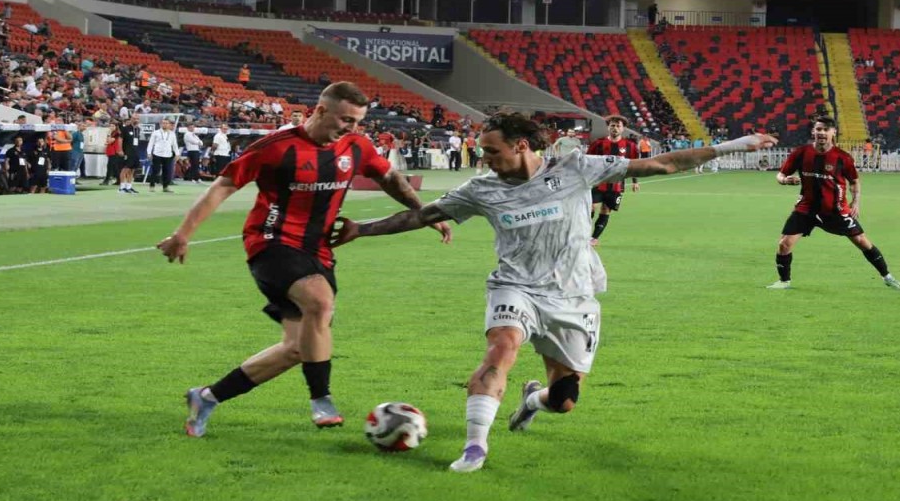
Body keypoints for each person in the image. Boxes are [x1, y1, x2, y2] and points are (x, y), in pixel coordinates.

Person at [328, 112, 777, 472]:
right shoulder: (480, 189)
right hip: (515, 286)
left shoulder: (575, 168)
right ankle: (474, 448)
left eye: (492, 151)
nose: (485, 159)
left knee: (563, 402)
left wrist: (734, 145)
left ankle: (532, 400)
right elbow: (421, 216)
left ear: (521, 146)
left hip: (573, 295)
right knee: (501, 348)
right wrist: (361, 230)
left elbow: (662, 164)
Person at [158, 82, 452, 435]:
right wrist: (183, 234)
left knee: (298, 348)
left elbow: (390, 178)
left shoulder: (356, 146)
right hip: (270, 242)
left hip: (320, 249)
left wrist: (426, 214)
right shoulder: (276, 147)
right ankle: (321, 399)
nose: (351, 128)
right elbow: (223, 185)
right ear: (321, 110)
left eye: (357, 121)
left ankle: (206, 397)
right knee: (319, 303)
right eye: (345, 119)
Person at [767, 116, 900, 292]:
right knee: (784, 244)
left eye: (826, 129)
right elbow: (780, 175)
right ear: (813, 131)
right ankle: (784, 281)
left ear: (833, 133)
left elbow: (854, 182)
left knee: (861, 241)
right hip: (806, 208)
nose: (822, 133)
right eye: (818, 129)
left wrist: (856, 202)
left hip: (835, 210)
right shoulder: (801, 153)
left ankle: (887, 277)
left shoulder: (842, 158)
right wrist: (785, 181)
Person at [585, 115, 639, 246]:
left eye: (618, 126)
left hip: (616, 186)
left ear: (623, 128)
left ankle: (594, 238)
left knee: (605, 210)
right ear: (608, 127)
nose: (615, 128)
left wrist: (635, 181)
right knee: (590, 208)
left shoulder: (630, 146)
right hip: (598, 183)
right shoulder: (598, 143)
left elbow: (635, 164)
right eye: (612, 125)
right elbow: (587, 160)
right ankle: (583, 234)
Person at [146, 118, 178, 193]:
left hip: (168, 154)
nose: (165, 124)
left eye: (166, 123)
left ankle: (165, 187)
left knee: (167, 171)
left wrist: (177, 154)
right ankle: (152, 186)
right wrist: (149, 153)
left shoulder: (172, 133)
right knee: (155, 170)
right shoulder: (156, 132)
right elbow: (151, 143)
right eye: (163, 123)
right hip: (157, 154)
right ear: (161, 124)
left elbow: (175, 145)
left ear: (169, 125)